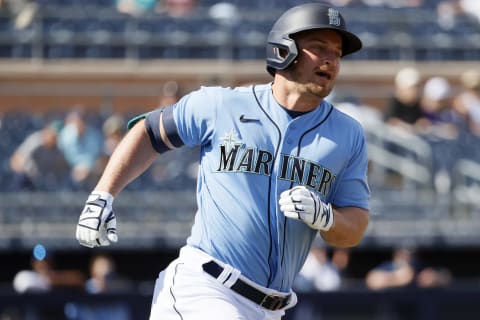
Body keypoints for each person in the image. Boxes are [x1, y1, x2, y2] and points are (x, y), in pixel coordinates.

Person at [75, 3, 370, 319]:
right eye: (319, 47)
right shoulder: (221, 105)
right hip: (204, 288)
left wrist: (327, 217)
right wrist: (102, 195)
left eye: (338, 53)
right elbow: (148, 132)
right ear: (285, 49)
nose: (331, 59)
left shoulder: (347, 134)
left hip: (271, 309)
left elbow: (355, 226)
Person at [9, 120, 71, 191]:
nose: (54, 138)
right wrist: (23, 170)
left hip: (45, 181)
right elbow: (17, 158)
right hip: (28, 177)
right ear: (47, 131)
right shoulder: (36, 140)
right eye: (53, 135)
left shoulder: (59, 148)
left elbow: (63, 167)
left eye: (57, 136)